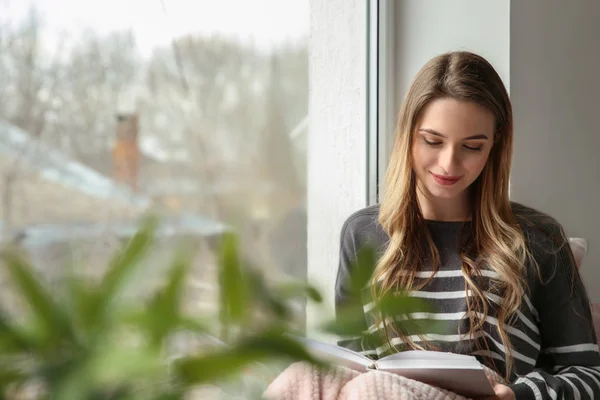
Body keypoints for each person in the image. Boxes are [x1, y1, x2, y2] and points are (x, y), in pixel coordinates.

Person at [335, 51, 600, 399]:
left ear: (495, 145)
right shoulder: (363, 234)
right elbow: (350, 367)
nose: (448, 164)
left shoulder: (539, 240)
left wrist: (516, 396)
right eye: (432, 141)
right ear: (407, 136)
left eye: (472, 147)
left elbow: (588, 376)